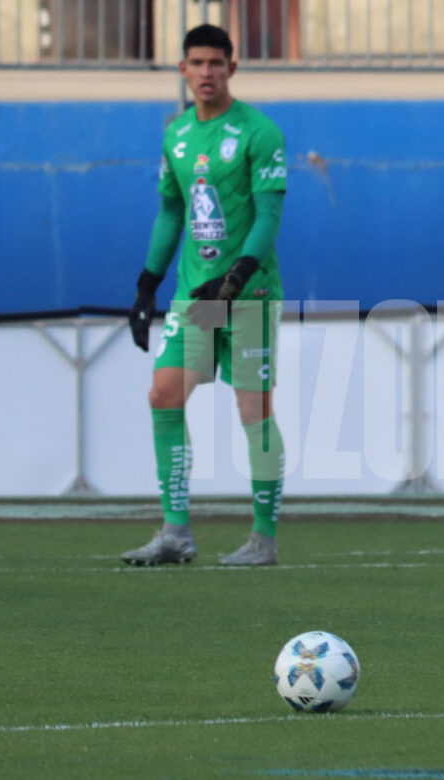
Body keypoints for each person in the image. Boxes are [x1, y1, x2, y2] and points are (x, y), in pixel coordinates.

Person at [123, 24, 287, 567]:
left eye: (217, 62)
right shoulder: (176, 135)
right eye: (197, 62)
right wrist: (148, 283)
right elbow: (172, 213)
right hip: (196, 294)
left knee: (253, 411)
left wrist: (237, 276)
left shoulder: (260, 132)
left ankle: (263, 538)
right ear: (183, 70)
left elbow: (268, 216)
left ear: (232, 68)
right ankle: (175, 533)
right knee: (163, 394)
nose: (207, 72)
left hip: (250, 295)